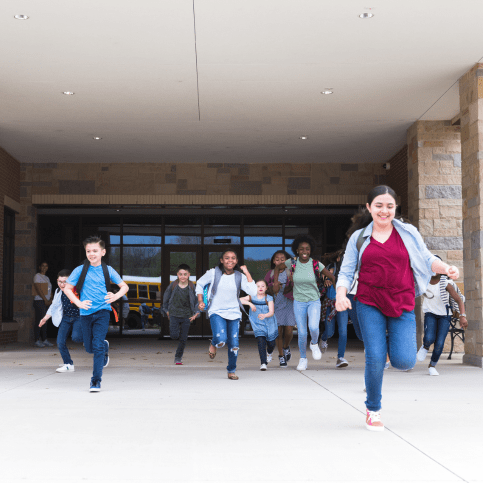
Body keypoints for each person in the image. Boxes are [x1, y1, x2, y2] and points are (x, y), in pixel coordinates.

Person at [336, 185, 460, 431]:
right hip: (369, 300)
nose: (384, 211)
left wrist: (445, 267)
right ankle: (373, 409)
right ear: (369, 208)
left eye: (389, 206)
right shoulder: (359, 238)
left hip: (402, 300)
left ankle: (387, 352)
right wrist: (341, 294)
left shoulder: (408, 233)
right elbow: (346, 271)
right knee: (374, 355)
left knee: (404, 361)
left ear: (395, 208)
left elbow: (426, 259)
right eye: (379, 205)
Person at [64, 236, 129, 392]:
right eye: (88, 251)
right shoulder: (80, 270)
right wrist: (78, 303)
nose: (91, 254)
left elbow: (124, 287)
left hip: (103, 311)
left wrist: (115, 296)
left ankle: (95, 381)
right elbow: (67, 288)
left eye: (95, 251)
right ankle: (103, 347)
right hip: (85, 312)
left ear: (103, 252)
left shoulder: (108, 270)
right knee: (88, 346)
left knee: (97, 346)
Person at [274, 235, 335, 371]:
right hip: (299, 302)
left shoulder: (316, 264)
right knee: (302, 332)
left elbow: (332, 276)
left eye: (307, 249)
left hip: (314, 301)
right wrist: (276, 282)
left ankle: (314, 343)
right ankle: (303, 359)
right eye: (301, 249)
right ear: (297, 250)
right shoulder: (292, 262)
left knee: (313, 327)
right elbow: (277, 268)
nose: (304, 251)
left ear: (310, 250)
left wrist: (339, 294)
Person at [196, 250, 257, 380]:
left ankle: (231, 370)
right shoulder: (213, 273)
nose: (230, 260)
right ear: (222, 260)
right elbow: (200, 284)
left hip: (234, 313)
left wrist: (246, 272)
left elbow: (253, 291)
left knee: (234, 344)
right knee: (220, 339)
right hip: (216, 311)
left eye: (233, 258)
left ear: (236, 261)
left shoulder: (240, 276)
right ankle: (214, 343)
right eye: (227, 258)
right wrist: (200, 301)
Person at [417, 261, 467, 376]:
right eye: (432, 267)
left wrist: (462, 316)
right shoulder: (423, 282)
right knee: (429, 337)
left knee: (439, 343)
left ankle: (432, 366)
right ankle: (425, 347)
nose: (434, 270)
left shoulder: (446, 283)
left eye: (437, 268)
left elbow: (459, 300)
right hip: (430, 314)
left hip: (445, 316)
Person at [38, 269, 83, 372]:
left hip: (78, 317)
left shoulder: (78, 290)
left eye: (65, 282)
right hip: (66, 318)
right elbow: (54, 306)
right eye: (59, 281)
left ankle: (99, 344)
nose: (62, 285)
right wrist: (45, 318)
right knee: (60, 342)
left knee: (76, 338)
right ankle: (68, 364)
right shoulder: (58, 292)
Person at [162, 264, 200, 365]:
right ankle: (177, 332)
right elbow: (165, 299)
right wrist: (166, 311)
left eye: (185, 274)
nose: (183, 276)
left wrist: (197, 312)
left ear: (189, 275)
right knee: (174, 336)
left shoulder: (192, 286)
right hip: (174, 314)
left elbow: (197, 302)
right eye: (180, 274)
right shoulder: (173, 285)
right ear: (177, 275)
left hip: (187, 315)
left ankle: (178, 357)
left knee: (183, 339)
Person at [265, 250, 296, 367]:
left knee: (288, 330)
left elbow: (297, 285)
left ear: (287, 261)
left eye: (282, 259)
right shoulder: (271, 273)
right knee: (278, 331)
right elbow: (265, 286)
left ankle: (286, 346)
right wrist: (273, 287)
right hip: (276, 304)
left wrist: (292, 281)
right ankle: (281, 355)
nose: (280, 261)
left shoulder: (290, 272)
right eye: (277, 259)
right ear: (273, 261)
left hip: (289, 302)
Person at [240, 280, 278, 371]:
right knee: (261, 341)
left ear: (266, 288)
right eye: (258, 286)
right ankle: (263, 363)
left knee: (271, 343)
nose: (260, 288)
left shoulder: (268, 298)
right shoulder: (251, 297)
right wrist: (249, 303)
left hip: (269, 323)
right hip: (258, 324)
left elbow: (271, 312)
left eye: (262, 286)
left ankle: (269, 352)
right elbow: (239, 300)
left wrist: (265, 315)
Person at [32, 261, 53, 347]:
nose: (44, 267)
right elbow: (38, 289)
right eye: (43, 266)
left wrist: (51, 299)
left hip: (46, 301)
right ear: (40, 267)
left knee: (45, 321)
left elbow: (49, 290)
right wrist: (45, 300)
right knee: (40, 320)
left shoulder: (47, 278)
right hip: (39, 301)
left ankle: (44, 340)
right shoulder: (37, 276)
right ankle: (37, 340)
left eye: (46, 266)